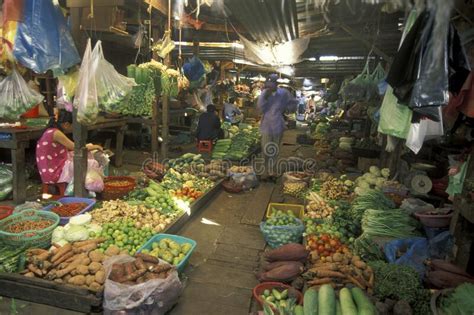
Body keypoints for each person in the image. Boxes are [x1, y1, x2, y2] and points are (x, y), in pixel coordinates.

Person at [36, 109, 103, 185]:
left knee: (84, 155)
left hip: (51, 170)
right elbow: (76, 148)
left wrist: (89, 146)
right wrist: (95, 146)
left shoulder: (51, 131)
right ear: (66, 124)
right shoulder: (56, 133)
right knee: (92, 163)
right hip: (54, 173)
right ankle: (88, 188)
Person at [257, 74, 298, 181]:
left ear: (276, 84)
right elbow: (260, 108)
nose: (270, 87)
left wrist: (287, 109)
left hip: (278, 124)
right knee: (265, 148)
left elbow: (293, 103)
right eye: (268, 85)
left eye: (272, 84)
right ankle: (264, 170)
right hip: (266, 124)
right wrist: (265, 99)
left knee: (274, 149)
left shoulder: (283, 93)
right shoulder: (264, 94)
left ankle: (271, 171)